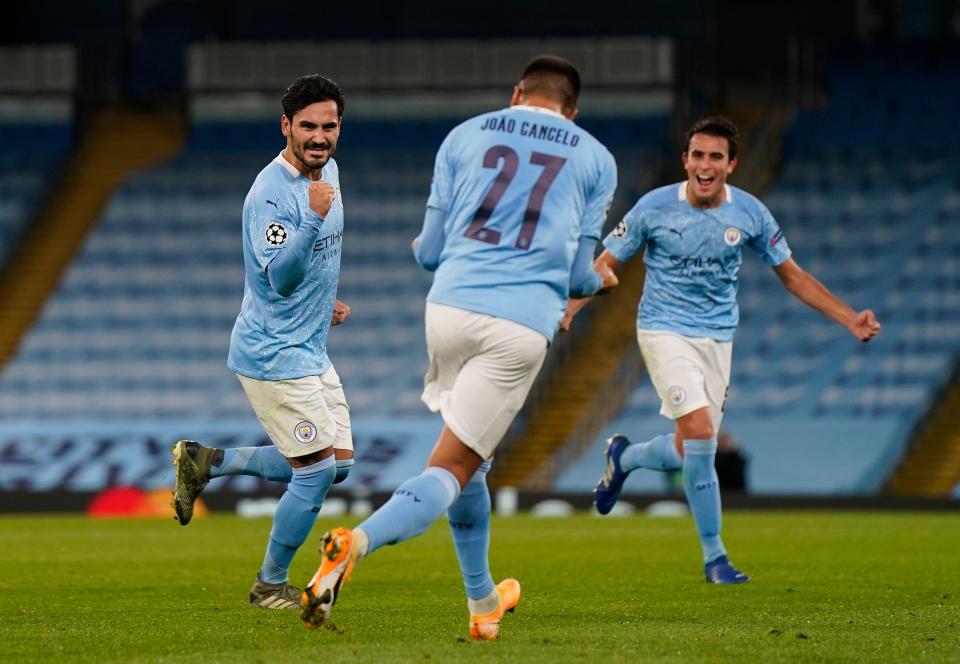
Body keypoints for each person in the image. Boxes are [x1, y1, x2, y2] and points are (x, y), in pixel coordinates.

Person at [298, 55, 619, 639]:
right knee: (451, 467)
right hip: (517, 325)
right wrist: (601, 279)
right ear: (572, 111)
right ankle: (355, 545)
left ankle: (481, 602)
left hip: (447, 310)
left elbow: (427, 252)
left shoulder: (465, 135)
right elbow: (577, 276)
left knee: (472, 459)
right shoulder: (595, 157)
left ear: (517, 93)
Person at [563, 117, 880, 584]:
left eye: (716, 157)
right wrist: (571, 309)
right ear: (685, 160)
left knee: (684, 450)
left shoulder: (750, 214)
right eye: (697, 155)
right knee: (700, 439)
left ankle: (624, 458)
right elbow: (605, 264)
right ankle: (716, 558)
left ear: (731, 165)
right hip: (662, 331)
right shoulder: (654, 207)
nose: (705, 166)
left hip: (717, 339)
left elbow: (791, 275)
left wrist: (848, 317)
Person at [170, 74, 356, 610]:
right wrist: (314, 215)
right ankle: (269, 585)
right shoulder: (270, 196)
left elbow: (316, 265)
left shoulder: (327, 171)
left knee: (338, 465)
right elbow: (281, 277)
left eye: (329, 126)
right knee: (317, 471)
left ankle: (209, 462)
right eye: (308, 127)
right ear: (286, 127)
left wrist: (328, 304)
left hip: (309, 345)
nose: (319, 137)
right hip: (273, 352)